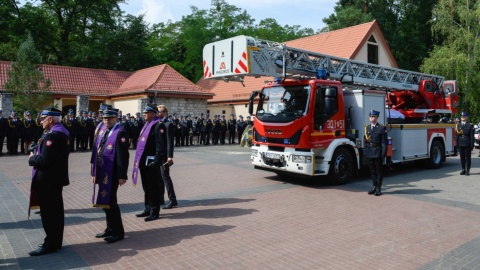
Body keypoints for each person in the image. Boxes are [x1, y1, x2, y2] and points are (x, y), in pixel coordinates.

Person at [27, 107, 70, 256]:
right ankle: (55, 241)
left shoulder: (54, 136)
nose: (40, 122)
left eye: (43, 119)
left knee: (49, 213)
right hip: (55, 179)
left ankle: (50, 244)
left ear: (50, 119)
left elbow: (44, 160)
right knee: (56, 212)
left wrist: (31, 158)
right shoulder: (57, 133)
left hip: (48, 181)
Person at [90, 107, 129, 243]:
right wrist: (94, 171)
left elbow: (123, 156)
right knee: (105, 202)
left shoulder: (120, 133)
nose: (106, 120)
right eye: (104, 118)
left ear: (116, 119)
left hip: (112, 173)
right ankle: (110, 228)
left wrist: (122, 175)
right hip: (102, 171)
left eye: (109, 118)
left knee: (111, 202)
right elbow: (96, 152)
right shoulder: (103, 131)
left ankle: (118, 232)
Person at [132, 104, 163, 221]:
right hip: (143, 161)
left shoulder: (158, 125)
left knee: (153, 187)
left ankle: (155, 211)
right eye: (144, 112)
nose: (144, 114)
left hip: (151, 162)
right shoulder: (146, 124)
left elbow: (160, 146)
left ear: (153, 113)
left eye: (146, 112)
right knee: (146, 186)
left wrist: (156, 160)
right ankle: (147, 208)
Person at [157, 105, 178, 209]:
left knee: (165, 177)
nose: (158, 113)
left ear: (165, 112)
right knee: (159, 178)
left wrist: (170, 156)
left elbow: (170, 142)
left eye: (160, 111)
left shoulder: (168, 124)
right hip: (158, 155)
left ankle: (172, 200)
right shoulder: (157, 123)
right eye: (157, 111)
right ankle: (160, 198)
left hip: (165, 156)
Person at [364, 110, 388, 196]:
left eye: (373, 116)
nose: (371, 117)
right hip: (370, 152)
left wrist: (384, 154)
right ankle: (374, 187)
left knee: (379, 171)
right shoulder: (367, 128)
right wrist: (365, 152)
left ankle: (378, 188)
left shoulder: (381, 128)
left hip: (378, 152)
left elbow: (385, 143)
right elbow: (365, 142)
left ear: (377, 117)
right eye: (370, 116)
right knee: (372, 171)